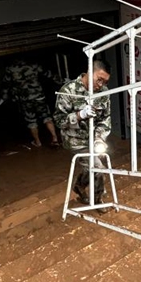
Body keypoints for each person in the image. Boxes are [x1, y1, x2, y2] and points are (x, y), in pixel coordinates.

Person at [54, 59, 112, 205]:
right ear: (88, 72)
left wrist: (99, 138)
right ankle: (98, 199)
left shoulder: (103, 92)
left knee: (91, 164)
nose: (101, 85)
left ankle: (79, 186)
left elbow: (105, 118)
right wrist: (79, 115)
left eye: (105, 82)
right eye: (99, 80)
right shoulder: (68, 90)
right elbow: (59, 121)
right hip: (75, 139)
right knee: (98, 168)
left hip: (93, 138)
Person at [0, 59, 62, 147]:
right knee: (47, 117)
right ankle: (55, 138)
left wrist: (4, 97)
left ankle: (37, 142)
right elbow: (48, 74)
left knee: (31, 121)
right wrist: (61, 81)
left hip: (25, 99)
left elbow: (6, 84)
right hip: (39, 96)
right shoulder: (33, 65)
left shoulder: (10, 69)